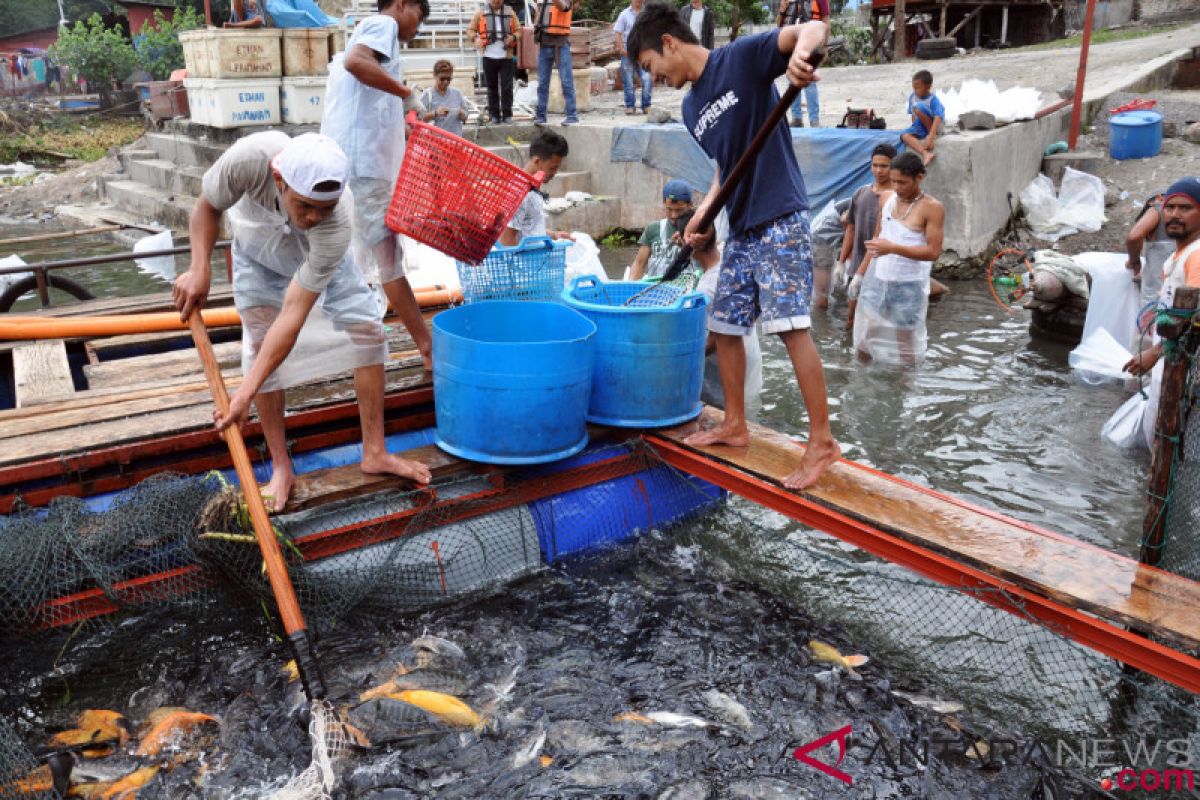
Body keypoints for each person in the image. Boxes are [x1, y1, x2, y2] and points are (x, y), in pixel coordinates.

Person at [627, 2, 840, 490]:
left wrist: (800, 58)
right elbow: (726, 167)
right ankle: (734, 423)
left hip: (781, 214)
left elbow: (812, 28)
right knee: (724, 323)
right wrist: (702, 217)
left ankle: (822, 442)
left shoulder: (740, 59)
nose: (652, 78)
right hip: (742, 227)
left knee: (790, 326)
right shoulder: (689, 107)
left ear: (668, 43)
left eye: (648, 66)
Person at [172, 133, 433, 510]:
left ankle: (374, 451)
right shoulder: (247, 160)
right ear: (279, 180)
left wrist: (243, 392)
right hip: (257, 252)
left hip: (317, 257)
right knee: (260, 341)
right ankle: (281, 466)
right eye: (305, 206)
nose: (312, 218)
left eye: (323, 210)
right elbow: (208, 207)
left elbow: (293, 313)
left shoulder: (334, 225)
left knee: (369, 331)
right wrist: (200, 269)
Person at [321, 0, 434, 372]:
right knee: (388, 261)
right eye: (419, 15)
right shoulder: (381, 25)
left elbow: (370, 102)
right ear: (402, 4)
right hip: (363, 168)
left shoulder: (381, 43)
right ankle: (427, 346)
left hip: (359, 165)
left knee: (366, 260)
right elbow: (356, 63)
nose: (418, 26)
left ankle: (384, 340)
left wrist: (406, 123)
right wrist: (405, 93)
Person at [849, 151, 945, 365]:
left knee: (905, 342)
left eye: (902, 182)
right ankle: (860, 381)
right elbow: (877, 239)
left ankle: (905, 387)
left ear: (920, 177)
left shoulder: (932, 208)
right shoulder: (887, 199)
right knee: (865, 336)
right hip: (879, 279)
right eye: (893, 182)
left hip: (908, 285)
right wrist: (859, 274)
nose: (897, 188)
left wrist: (893, 248)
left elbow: (933, 252)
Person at [695, 238, 764, 412]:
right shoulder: (730, 264)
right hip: (749, 350)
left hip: (730, 356)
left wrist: (685, 358)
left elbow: (714, 338)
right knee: (748, 405)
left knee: (726, 408)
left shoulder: (705, 288)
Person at [840, 142, 896, 326]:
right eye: (875, 165)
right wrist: (841, 263)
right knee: (851, 318)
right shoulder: (860, 193)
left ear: (893, 166)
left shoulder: (896, 198)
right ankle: (848, 353)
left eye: (884, 166)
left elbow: (880, 236)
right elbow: (851, 228)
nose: (878, 171)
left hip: (883, 269)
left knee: (878, 321)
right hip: (857, 265)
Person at [499, 129, 572, 245]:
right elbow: (506, 241)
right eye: (552, 168)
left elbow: (527, 228)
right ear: (537, 161)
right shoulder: (521, 192)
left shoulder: (531, 187)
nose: (555, 172)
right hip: (527, 260)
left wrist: (553, 235)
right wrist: (520, 263)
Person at [629, 179, 694, 280]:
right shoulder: (653, 229)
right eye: (669, 209)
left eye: (679, 210)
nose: (674, 215)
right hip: (655, 290)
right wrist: (631, 287)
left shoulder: (699, 231)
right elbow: (639, 264)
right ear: (664, 203)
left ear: (690, 205)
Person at [777, 0, 827, 128]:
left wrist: (825, 46)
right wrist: (782, 10)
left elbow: (826, 21)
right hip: (792, 46)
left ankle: (814, 119)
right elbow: (779, 25)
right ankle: (797, 118)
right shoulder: (786, 1)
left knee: (809, 80)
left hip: (811, 44)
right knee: (793, 79)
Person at [471, 0, 519, 124]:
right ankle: (494, 115)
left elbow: (519, 31)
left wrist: (513, 37)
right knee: (491, 88)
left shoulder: (510, 12)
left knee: (507, 87)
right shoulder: (480, 13)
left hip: (506, 56)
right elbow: (470, 30)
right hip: (488, 56)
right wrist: (475, 38)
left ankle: (507, 114)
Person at [533, 0, 578, 125]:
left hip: (561, 43)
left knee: (566, 81)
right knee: (542, 83)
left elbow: (562, 7)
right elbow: (538, 15)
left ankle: (572, 116)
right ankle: (541, 116)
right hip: (544, 43)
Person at [1126, 192, 1172, 306]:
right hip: (1189, 296)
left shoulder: (1158, 208)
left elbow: (1134, 237)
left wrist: (1134, 261)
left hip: (1158, 296)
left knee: (1150, 319)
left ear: (1159, 198)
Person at [615, 0, 653, 115]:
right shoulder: (624, 14)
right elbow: (617, 33)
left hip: (644, 53)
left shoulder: (648, 14)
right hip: (628, 53)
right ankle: (630, 106)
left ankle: (646, 105)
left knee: (647, 79)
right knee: (628, 81)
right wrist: (622, 49)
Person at [901, 70, 944, 167]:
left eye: (918, 88)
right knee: (904, 135)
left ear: (928, 87)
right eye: (913, 88)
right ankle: (925, 153)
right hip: (920, 125)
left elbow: (938, 117)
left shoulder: (933, 100)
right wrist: (913, 129)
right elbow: (912, 115)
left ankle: (930, 134)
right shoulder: (912, 97)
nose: (915, 90)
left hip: (933, 126)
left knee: (918, 107)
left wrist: (931, 136)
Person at [420, 60, 468, 136]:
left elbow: (465, 117)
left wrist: (462, 114)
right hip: (435, 143)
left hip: (455, 142)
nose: (446, 82)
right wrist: (435, 113)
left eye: (449, 79)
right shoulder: (427, 95)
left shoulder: (457, 93)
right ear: (435, 75)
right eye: (442, 79)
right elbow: (417, 119)